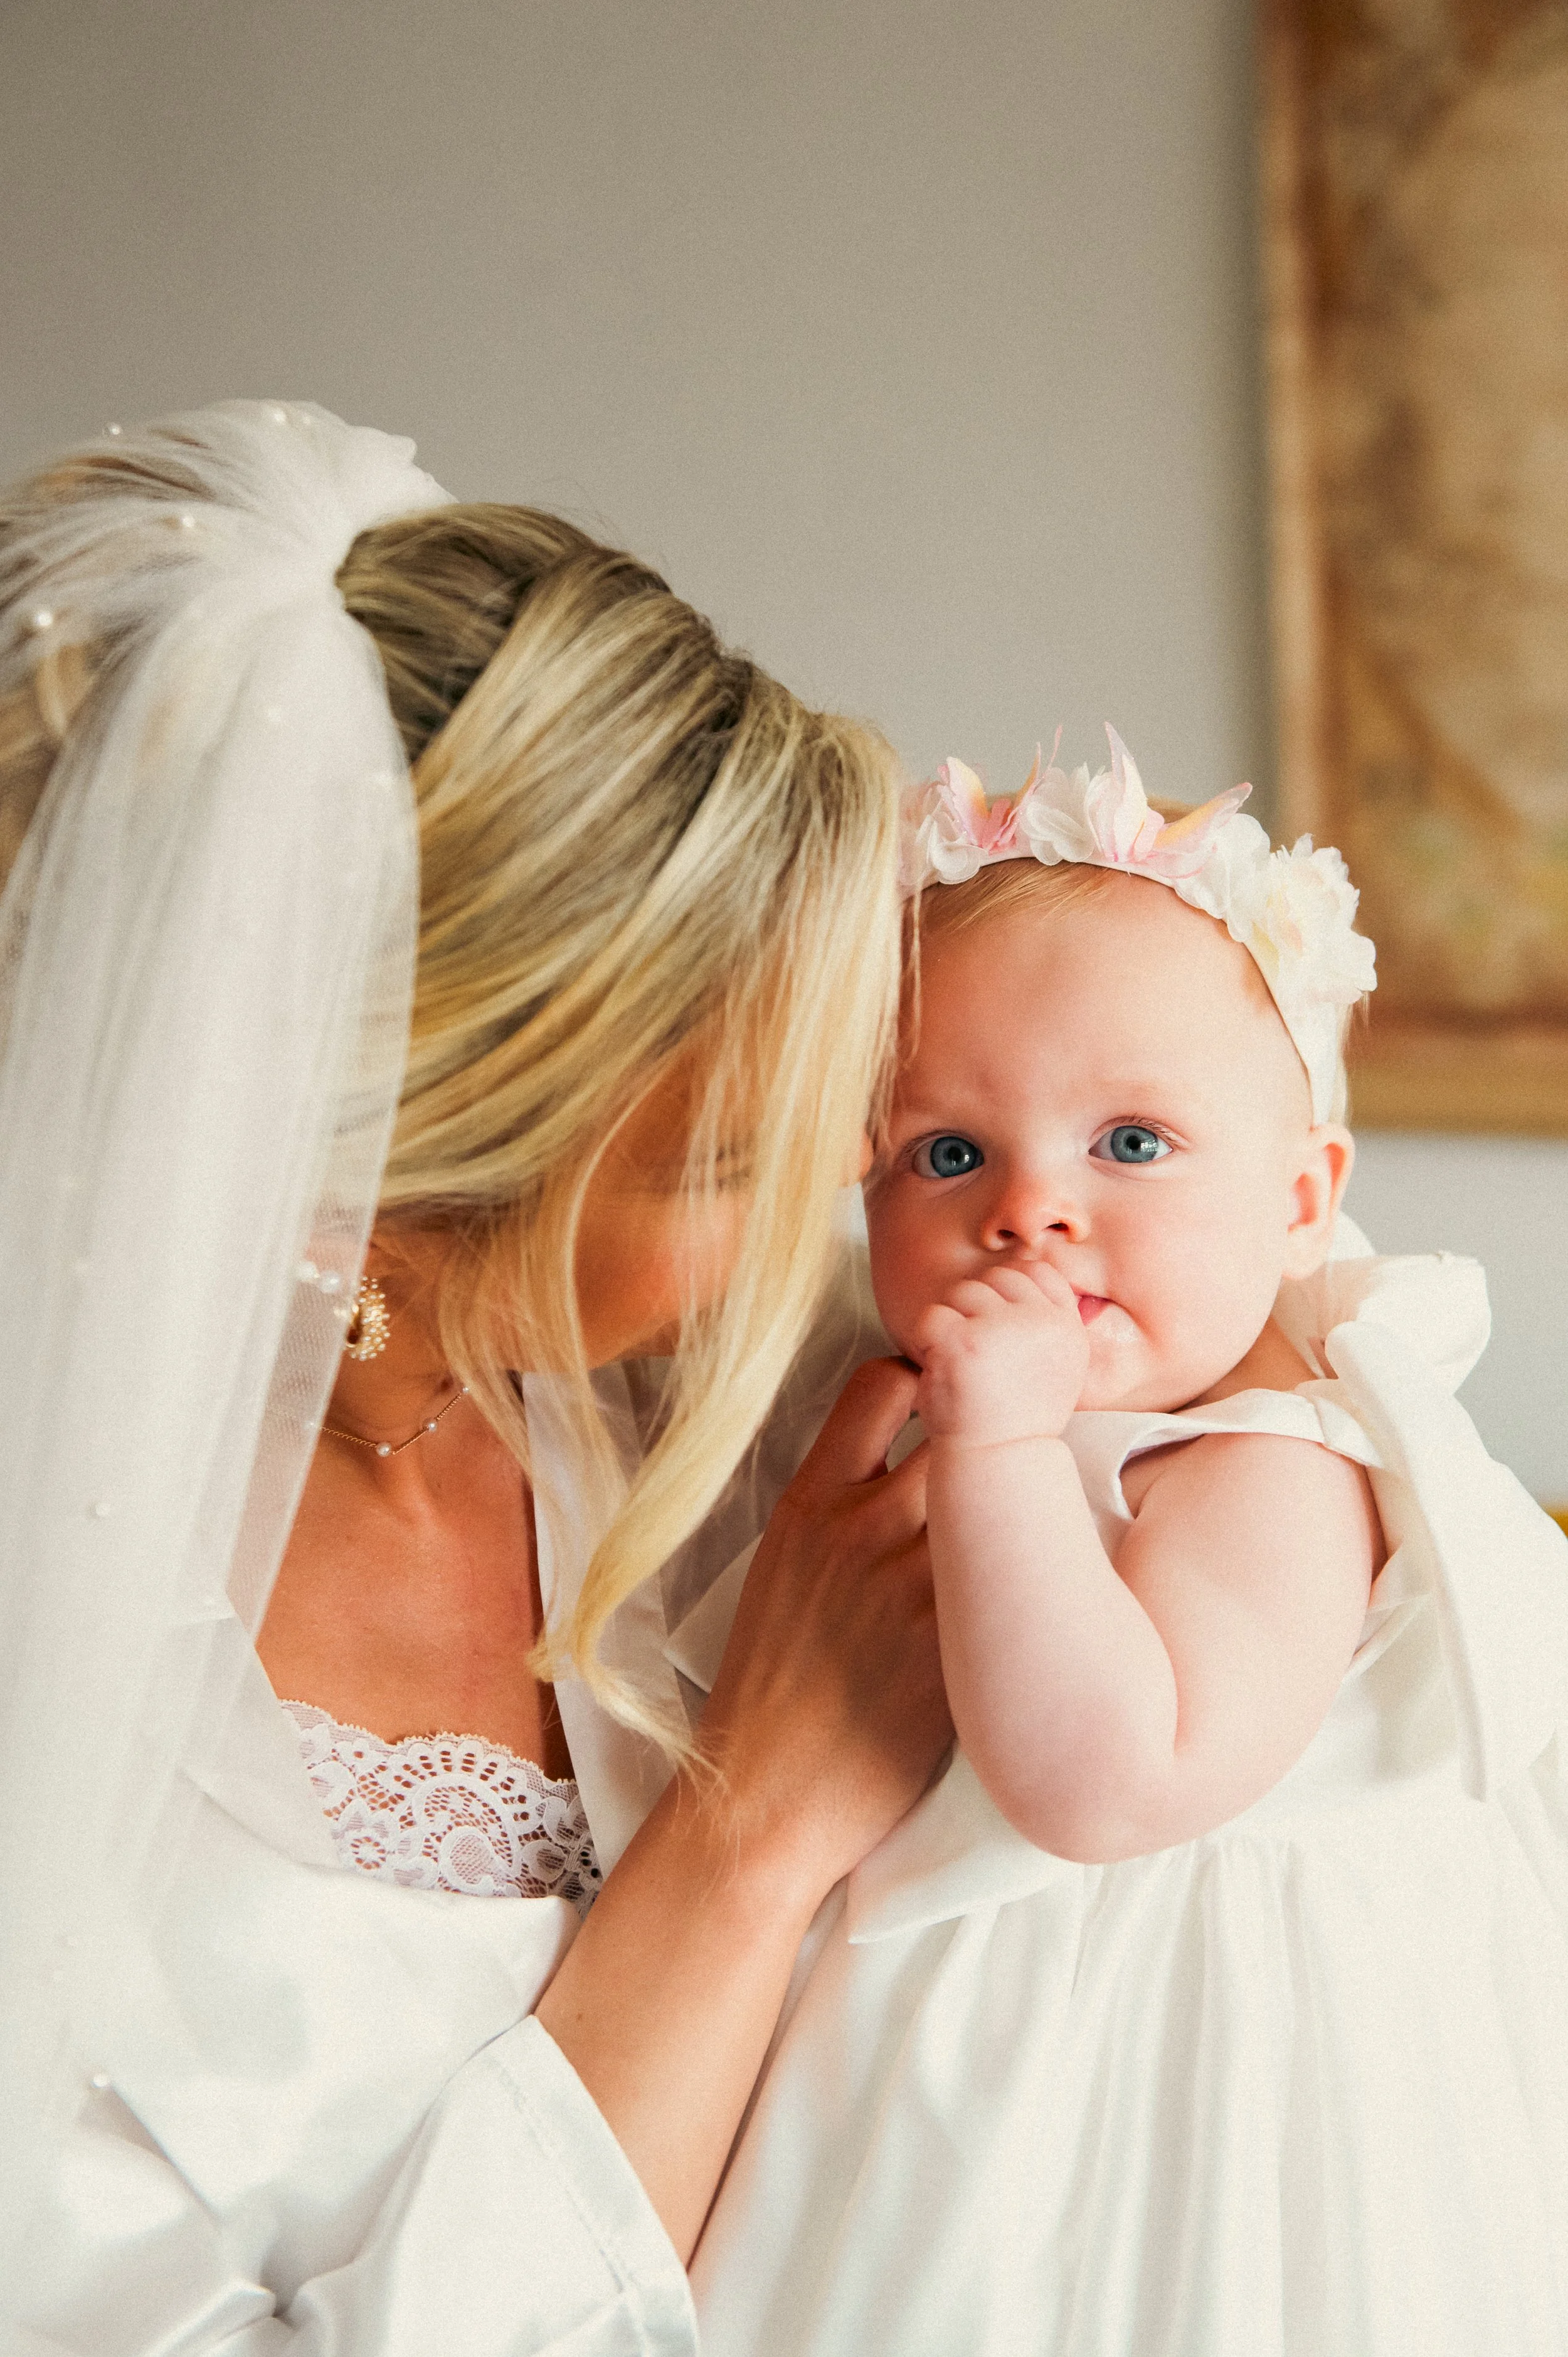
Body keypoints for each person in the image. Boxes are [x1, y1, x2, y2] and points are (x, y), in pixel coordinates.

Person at [0, 400, 951, 2354]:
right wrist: (747, 1829)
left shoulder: (714, 1379)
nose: (827, 1208)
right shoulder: (57, 1652)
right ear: (360, 1190)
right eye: (718, 1162)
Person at [691, 732, 1568, 2356]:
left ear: (1302, 1199)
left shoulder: (1272, 1464)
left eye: (1130, 1144)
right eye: (943, 1153)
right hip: (924, 2051)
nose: (1030, 1211)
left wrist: (1005, 1446)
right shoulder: (915, 1389)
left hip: (1145, 2117)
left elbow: (1097, 1779)